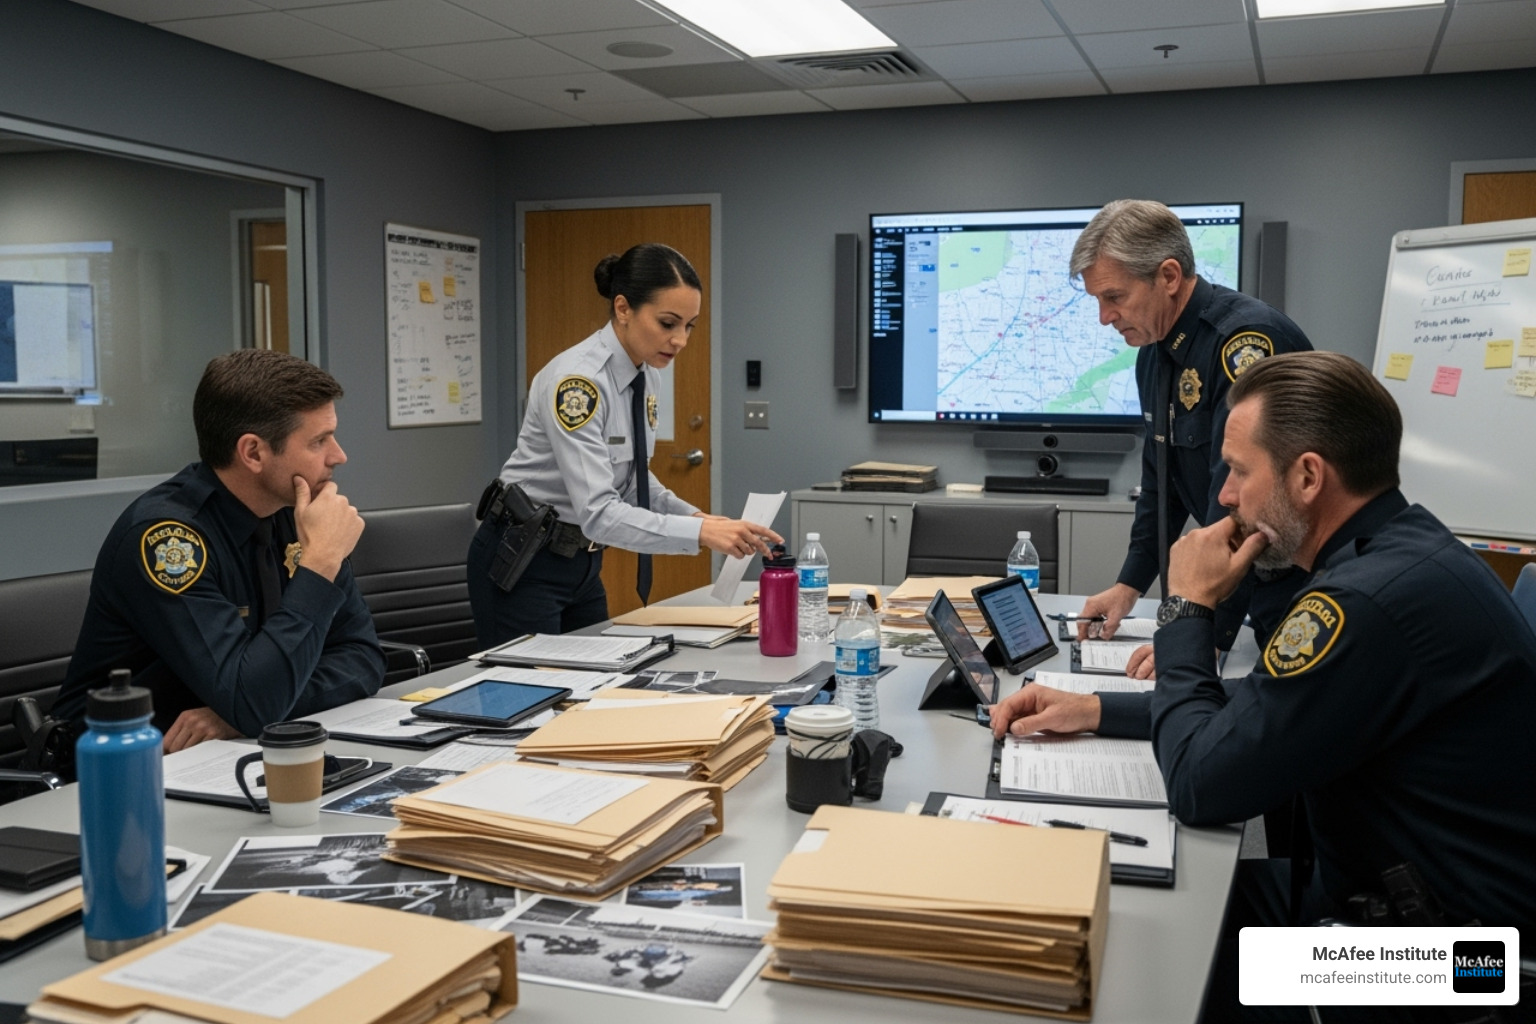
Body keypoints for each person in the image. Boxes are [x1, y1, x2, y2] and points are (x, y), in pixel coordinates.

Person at [1026, 352, 1536, 1021]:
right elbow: (1277, 709)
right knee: (1157, 912)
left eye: (1238, 470)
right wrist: (1098, 709)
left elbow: (1201, 785)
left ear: (1307, 476)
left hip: (1454, 963)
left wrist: (1186, 608)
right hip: (1401, 905)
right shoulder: (1402, 552)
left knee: (1149, 958)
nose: (1226, 497)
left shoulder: (1361, 603)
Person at [56, 349, 384, 752]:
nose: (339, 455)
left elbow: (363, 660)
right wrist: (319, 566)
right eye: (319, 441)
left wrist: (241, 714)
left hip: (228, 750)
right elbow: (254, 701)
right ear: (253, 453)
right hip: (121, 766)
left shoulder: (295, 514)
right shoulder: (167, 540)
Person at [468, 243, 781, 643]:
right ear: (622, 309)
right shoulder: (577, 384)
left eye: (689, 326)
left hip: (580, 561)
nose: (680, 340)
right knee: (530, 693)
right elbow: (599, 511)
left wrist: (700, 519)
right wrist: (697, 535)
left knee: (595, 684)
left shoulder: (647, 373)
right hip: (523, 559)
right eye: (668, 323)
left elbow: (632, 479)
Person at [1069, 199, 1313, 697]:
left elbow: (1249, 505)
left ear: (1170, 275)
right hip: (1249, 586)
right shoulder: (1155, 355)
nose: (1104, 317)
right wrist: (1129, 586)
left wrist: (1198, 630)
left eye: (1114, 296)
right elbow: (1162, 484)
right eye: (1097, 300)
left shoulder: (1247, 344)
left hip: (1297, 585)